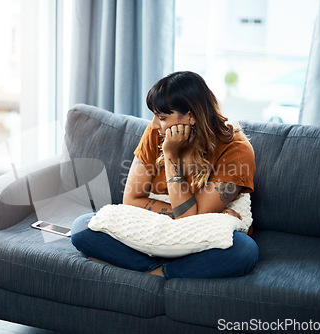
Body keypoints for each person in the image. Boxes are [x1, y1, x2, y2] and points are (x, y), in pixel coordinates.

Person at [71, 71, 259, 279]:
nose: (153, 125)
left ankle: (155, 270)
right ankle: (167, 269)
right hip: (156, 229)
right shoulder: (155, 133)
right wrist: (191, 213)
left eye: (161, 117)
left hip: (199, 236)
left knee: (244, 251)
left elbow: (191, 221)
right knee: (82, 227)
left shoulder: (237, 149)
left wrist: (170, 155)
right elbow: (131, 200)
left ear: (191, 116)